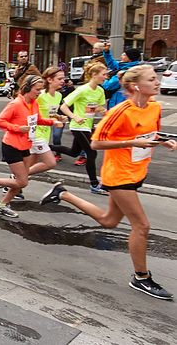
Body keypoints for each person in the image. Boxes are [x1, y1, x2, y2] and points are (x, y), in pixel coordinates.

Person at [40, 65, 177, 300]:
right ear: (135, 86)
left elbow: (150, 134)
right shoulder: (120, 112)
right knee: (142, 226)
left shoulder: (154, 107)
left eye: (156, 79)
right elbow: (96, 144)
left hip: (137, 172)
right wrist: (132, 143)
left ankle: (62, 193)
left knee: (109, 221)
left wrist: (161, 141)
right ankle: (141, 277)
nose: (158, 82)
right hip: (118, 175)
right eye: (152, 79)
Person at [0, 75, 62, 217]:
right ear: (28, 88)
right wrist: (17, 128)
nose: (39, 92)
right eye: (37, 89)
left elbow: (38, 120)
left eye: (41, 90)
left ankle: (2, 205)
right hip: (12, 146)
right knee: (22, 182)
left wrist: (52, 122)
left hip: (26, 146)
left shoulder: (34, 104)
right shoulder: (16, 104)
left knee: (20, 180)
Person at [50, 62, 109, 195]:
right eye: (103, 74)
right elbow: (63, 107)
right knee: (92, 153)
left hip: (87, 126)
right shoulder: (82, 89)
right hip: (78, 126)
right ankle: (94, 185)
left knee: (74, 152)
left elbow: (97, 107)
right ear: (94, 75)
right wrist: (74, 117)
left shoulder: (100, 91)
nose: (106, 77)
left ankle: (47, 147)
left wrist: (104, 112)